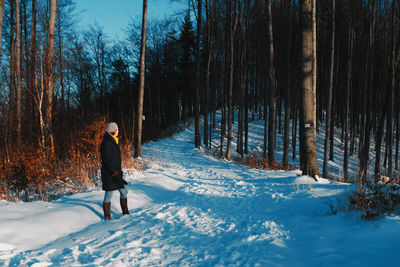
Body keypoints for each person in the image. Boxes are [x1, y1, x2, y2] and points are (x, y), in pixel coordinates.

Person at [100, 122, 129, 220]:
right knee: (108, 195)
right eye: (117, 129)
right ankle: (107, 217)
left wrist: (118, 174)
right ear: (113, 130)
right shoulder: (107, 143)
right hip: (109, 174)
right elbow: (107, 161)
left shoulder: (113, 141)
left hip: (115, 174)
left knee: (124, 191)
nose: (118, 131)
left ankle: (126, 213)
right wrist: (114, 173)